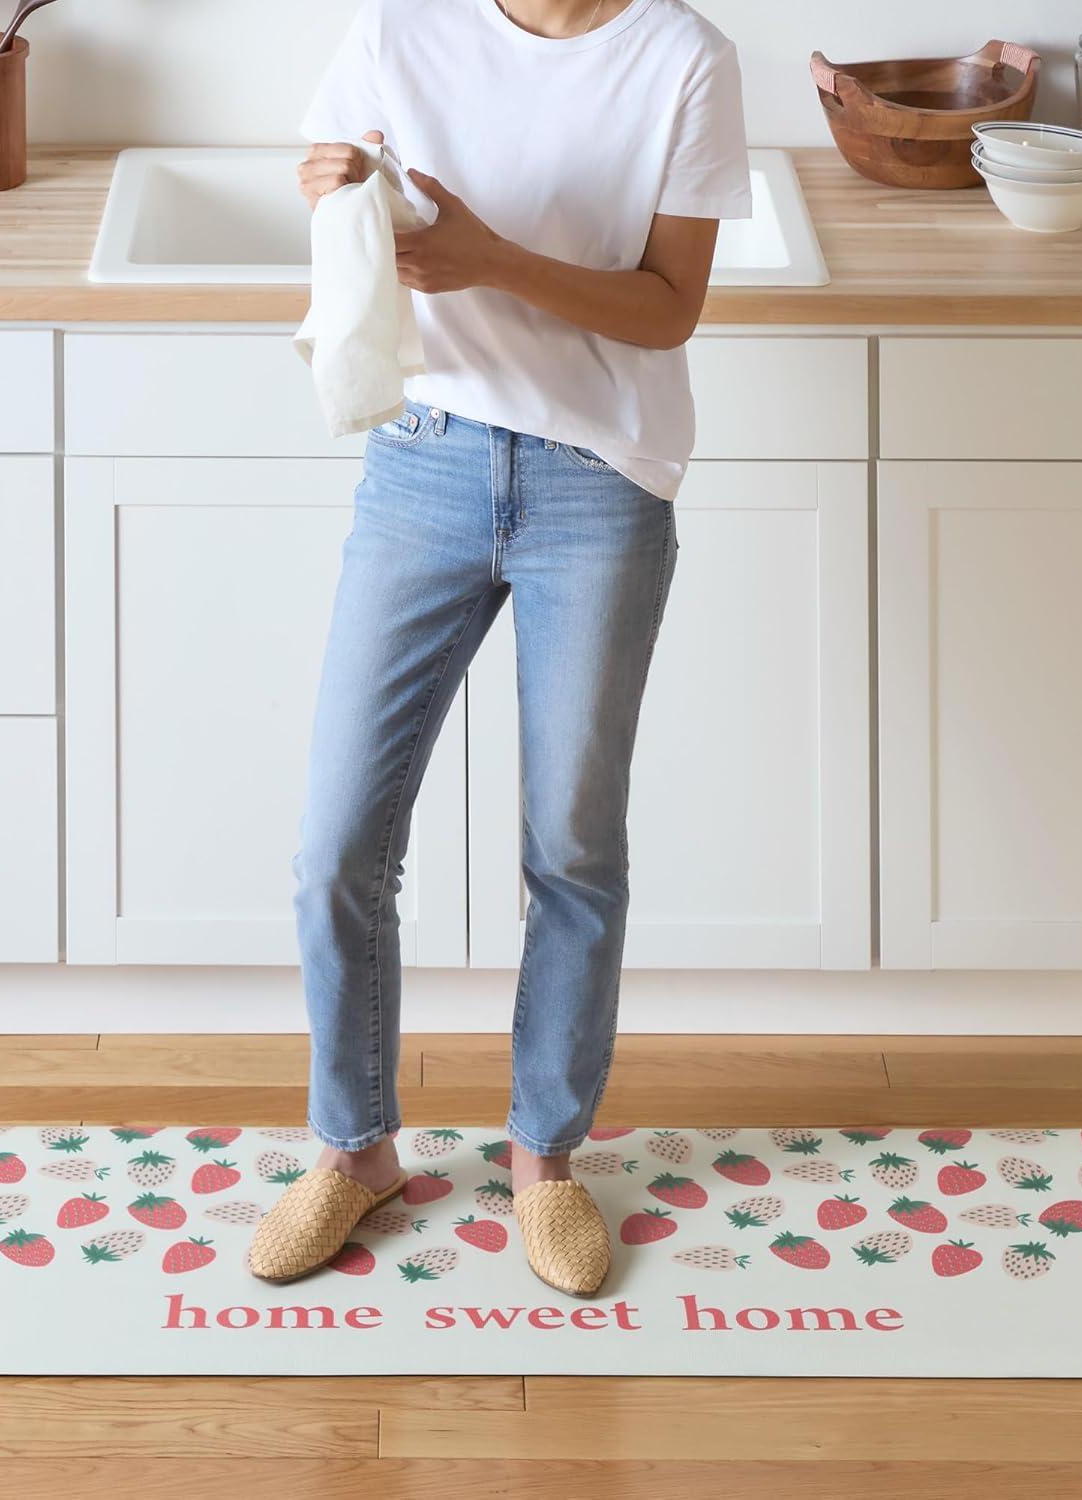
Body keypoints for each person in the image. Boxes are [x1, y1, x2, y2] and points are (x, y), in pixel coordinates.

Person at [247, 0, 752, 1298]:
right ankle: (356, 1151)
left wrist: (488, 259)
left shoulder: (683, 61)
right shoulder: (399, 33)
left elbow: (670, 309)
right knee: (337, 844)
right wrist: (343, 193)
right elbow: (345, 201)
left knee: (572, 846)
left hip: (600, 480)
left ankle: (545, 1159)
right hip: (423, 459)